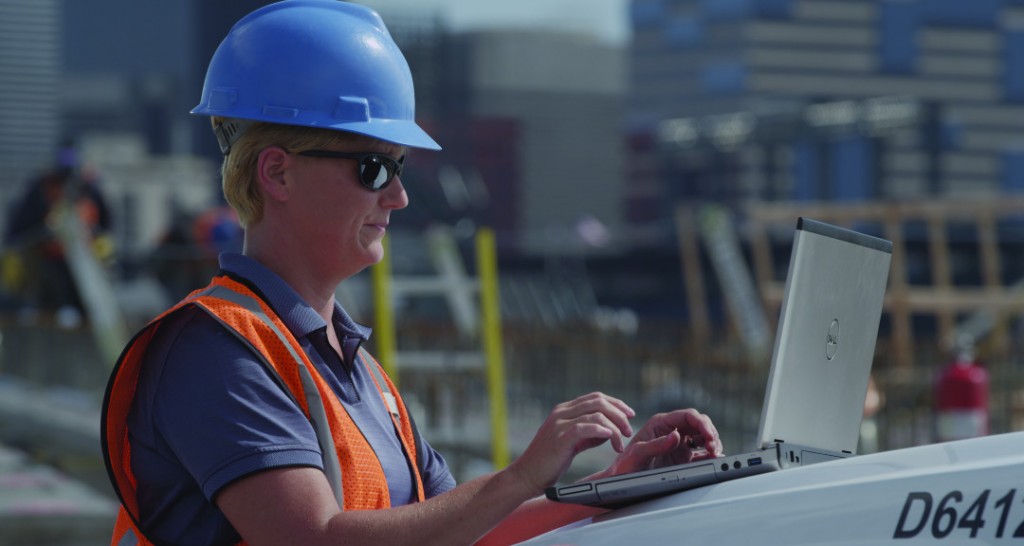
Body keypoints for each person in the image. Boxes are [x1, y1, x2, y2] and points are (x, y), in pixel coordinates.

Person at [101, 2, 724, 545]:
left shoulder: (356, 371)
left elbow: (461, 531)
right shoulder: (215, 354)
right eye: (374, 167)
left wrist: (611, 486)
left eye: (400, 168)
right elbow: (310, 541)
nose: (397, 196)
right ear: (277, 173)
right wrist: (521, 474)